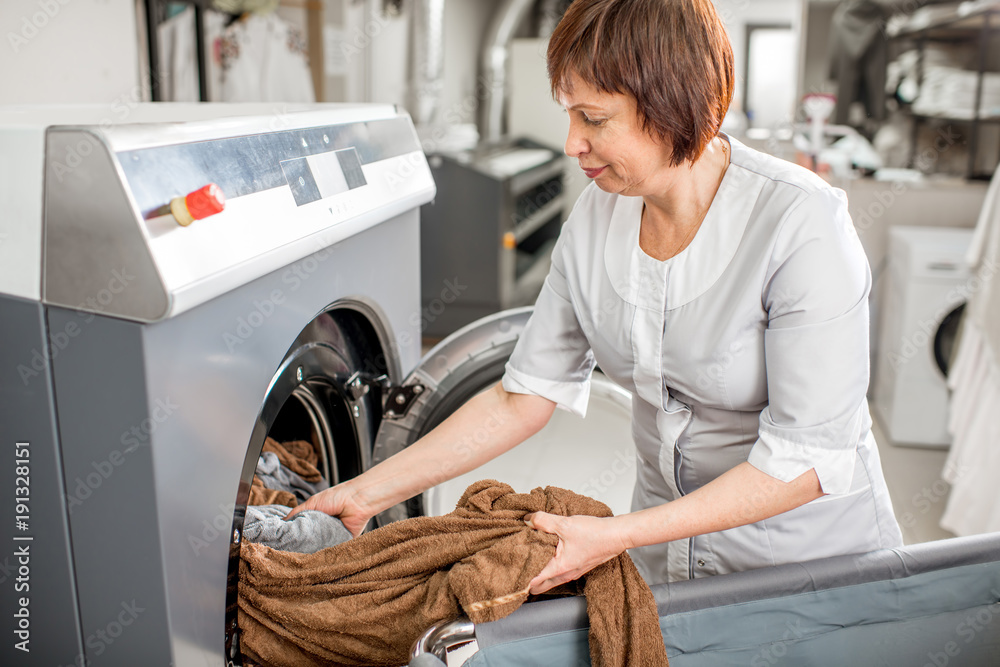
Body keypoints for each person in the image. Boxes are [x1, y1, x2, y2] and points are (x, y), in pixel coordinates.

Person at [288, 0, 903, 590]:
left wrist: (619, 535)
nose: (571, 143)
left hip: (805, 567)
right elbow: (521, 398)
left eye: (594, 119)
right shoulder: (597, 217)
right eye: (570, 115)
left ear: (673, 106)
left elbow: (807, 460)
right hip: (665, 558)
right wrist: (367, 491)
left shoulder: (800, 223)